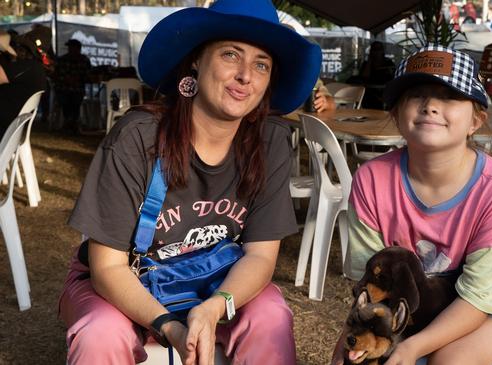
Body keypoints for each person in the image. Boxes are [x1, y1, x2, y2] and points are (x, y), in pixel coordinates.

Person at [58, 0, 321, 364]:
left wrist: (216, 306)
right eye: (231, 55)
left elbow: (260, 255)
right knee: (102, 332)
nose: (246, 75)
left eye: (261, 64)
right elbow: (108, 268)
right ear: (196, 60)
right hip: (125, 281)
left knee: (270, 315)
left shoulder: (270, 141)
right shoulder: (139, 137)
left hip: (215, 280)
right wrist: (169, 326)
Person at [332, 45, 492, 364]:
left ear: (476, 120)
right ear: (396, 115)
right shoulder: (372, 180)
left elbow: (481, 297)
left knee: (448, 359)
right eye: (417, 95)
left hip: (491, 303)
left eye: (449, 96)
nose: (430, 106)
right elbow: (373, 281)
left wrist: (412, 347)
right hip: (412, 303)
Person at [0, 30, 47, 135]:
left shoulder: (28, 67)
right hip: (10, 123)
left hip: (5, 124)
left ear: (25, 51)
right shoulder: (33, 67)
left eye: (18, 48)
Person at [53, 38, 91, 134]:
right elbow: (56, 75)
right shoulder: (62, 60)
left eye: (72, 47)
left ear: (78, 49)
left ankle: (72, 122)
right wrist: (66, 80)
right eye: (69, 47)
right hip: (63, 88)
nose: (70, 49)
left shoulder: (84, 60)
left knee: (76, 101)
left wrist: (77, 80)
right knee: (65, 99)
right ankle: (69, 121)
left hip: (77, 89)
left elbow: (88, 75)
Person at [353, 41, 395, 109]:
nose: (377, 52)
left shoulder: (388, 63)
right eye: (374, 50)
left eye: (379, 49)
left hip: (384, 91)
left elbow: (393, 77)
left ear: (382, 51)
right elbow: (364, 77)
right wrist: (370, 61)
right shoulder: (366, 64)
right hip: (370, 92)